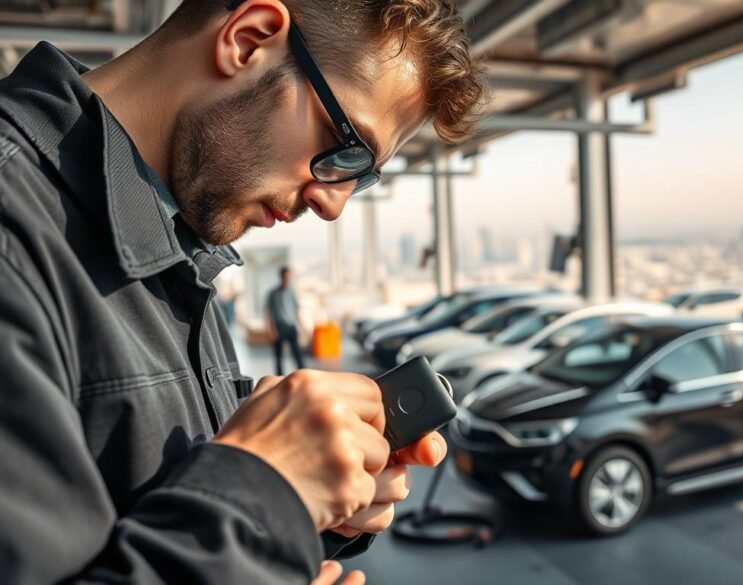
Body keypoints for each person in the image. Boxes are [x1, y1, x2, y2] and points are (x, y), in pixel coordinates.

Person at [0, 0, 486, 584]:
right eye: (347, 147)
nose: (332, 204)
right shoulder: (15, 229)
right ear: (249, 41)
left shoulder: (179, 252)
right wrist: (265, 492)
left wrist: (304, 511)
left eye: (363, 176)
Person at [268, 266, 307, 374]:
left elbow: (297, 310)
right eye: (285, 277)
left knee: (297, 354)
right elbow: (269, 313)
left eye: (289, 278)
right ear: (281, 277)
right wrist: (271, 329)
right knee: (279, 357)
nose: (287, 280)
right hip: (279, 327)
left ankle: (303, 375)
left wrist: (301, 327)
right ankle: (279, 378)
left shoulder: (292, 292)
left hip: (291, 326)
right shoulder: (273, 293)